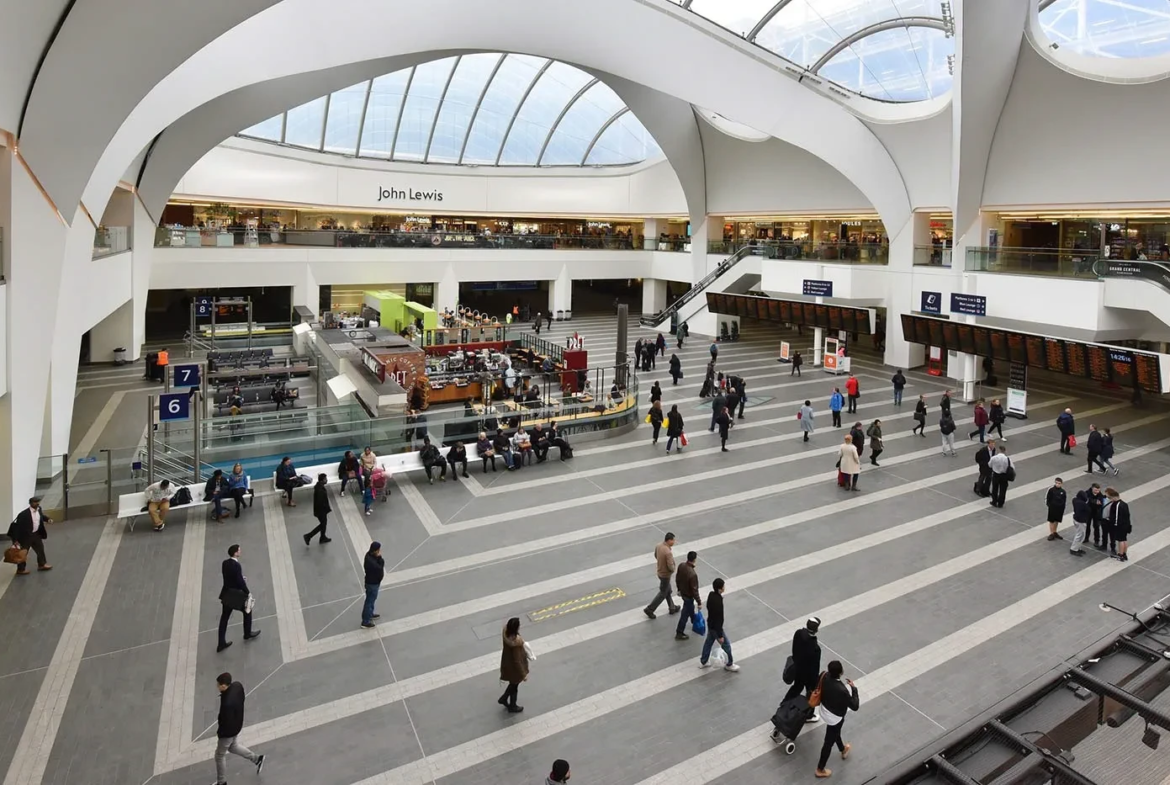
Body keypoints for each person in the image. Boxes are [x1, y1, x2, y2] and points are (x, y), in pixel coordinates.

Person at [212, 672, 265, 785]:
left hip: (228, 732)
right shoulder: (237, 685)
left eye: (218, 685)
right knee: (233, 747)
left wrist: (220, 734)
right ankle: (257, 759)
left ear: (224, 686)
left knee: (219, 755)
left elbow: (225, 721)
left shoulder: (227, 704)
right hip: (237, 725)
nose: (217, 687)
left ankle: (221, 782)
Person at [814, 660, 860, 779]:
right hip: (834, 718)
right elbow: (855, 706)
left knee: (835, 732)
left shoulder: (824, 675)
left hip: (823, 710)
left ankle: (843, 749)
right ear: (841, 672)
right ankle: (820, 769)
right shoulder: (842, 690)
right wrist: (854, 689)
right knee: (828, 742)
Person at [217, 544, 260, 652]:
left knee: (224, 618)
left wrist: (240, 577)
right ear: (235, 553)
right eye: (239, 550)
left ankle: (221, 642)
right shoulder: (237, 565)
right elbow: (240, 583)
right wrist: (248, 592)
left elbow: (229, 577)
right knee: (247, 610)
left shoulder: (225, 563)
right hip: (235, 595)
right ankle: (247, 633)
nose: (240, 551)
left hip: (226, 594)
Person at [784, 617, 823, 721]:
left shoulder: (798, 633)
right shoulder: (815, 648)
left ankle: (784, 704)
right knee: (810, 693)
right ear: (816, 630)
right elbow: (815, 666)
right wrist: (815, 680)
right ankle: (809, 715)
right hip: (808, 675)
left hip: (797, 669)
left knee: (796, 688)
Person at [699, 578, 738, 672]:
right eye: (723, 586)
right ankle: (729, 664)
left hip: (710, 624)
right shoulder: (718, 602)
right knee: (726, 645)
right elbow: (719, 619)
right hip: (716, 628)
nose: (724, 587)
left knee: (708, 642)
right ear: (720, 589)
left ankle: (704, 661)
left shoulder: (711, 595)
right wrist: (720, 635)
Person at [7, 497, 51, 575]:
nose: (37, 503)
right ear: (30, 503)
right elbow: (17, 528)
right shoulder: (23, 514)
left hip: (36, 534)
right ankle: (21, 569)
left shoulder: (39, 509)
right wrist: (15, 540)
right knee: (23, 553)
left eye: (38, 502)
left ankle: (42, 564)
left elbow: (41, 516)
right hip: (26, 537)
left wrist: (47, 519)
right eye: (35, 502)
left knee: (40, 549)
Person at [644, 532, 679, 619]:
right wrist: (673, 569)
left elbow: (656, 555)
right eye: (673, 540)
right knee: (663, 593)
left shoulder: (658, 546)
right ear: (669, 540)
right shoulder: (668, 552)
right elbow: (670, 566)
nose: (674, 542)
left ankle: (672, 607)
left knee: (667, 590)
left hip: (660, 572)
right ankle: (650, 609)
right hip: (665, 575)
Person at [499, 616, 530, 714]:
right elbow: (517, 661)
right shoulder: (515, 643)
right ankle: (512, 706)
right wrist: (523, 674)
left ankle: (504, 698)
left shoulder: (506, 632)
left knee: (513, 684)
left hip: (507, 662)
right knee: (514, 686)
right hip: (514, 669)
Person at [674, 550, 701, 640]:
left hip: (683, 593)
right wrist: (699, 602)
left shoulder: (681, 566)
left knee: (690, 609)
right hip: (688, 596)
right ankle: (679, 632)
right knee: (684, 615)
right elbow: (694, 590)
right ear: (694, 559)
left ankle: (694, 621)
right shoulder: (693, 574)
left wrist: (679, 589)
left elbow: (677, 578)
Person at [303, 474, 332, 545]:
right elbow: (320, 502)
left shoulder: (319, 487)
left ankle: (322, 537)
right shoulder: (320, 490)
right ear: (322, 480)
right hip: (321, 511)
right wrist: (325, 508)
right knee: (323, 524)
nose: (326, 480)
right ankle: (308, 536)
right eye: (325, 479)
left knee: (323, 524)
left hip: (321, 511)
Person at [1105, 487, 1131, 562]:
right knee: (1124, 540)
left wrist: (1114, 525)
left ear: (1114, 497)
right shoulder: (1124, 504)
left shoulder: (1117, 505)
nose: (1110, 499)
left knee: (1120, 540)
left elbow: (1116, 517)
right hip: (1125, 524)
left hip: (1120, 526)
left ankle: (1120, 555)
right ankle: (1124, 554)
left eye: (1110, 498)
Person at [361, 542, 383, 628]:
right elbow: (380, 567)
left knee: (371, 600)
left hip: (372, 582)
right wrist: (380, 558)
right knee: (369, 601)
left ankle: (370, 614)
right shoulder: (370, 561)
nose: (379, 551)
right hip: (372, 584)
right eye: (378, 550)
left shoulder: (369, 556)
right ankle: (365, 621)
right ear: (375, 550)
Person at [1070, 487, 1091, 557]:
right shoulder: (1082, 504)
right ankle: (1074, 549)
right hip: (1081, 521)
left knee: (1080, 534)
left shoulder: (1074, 500)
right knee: (1080, 535)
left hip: (1076, 519)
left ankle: (1078, 548)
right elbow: (1088, 510)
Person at [1045, 477, 1066, 541]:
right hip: (1052, 508)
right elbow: (1047, 498)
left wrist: (1062, 508)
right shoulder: (1051, 490)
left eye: (1059, 483)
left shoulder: (1063, 491)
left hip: (1059, 509)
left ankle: (1055, 532)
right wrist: (1050, 506)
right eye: (1056, 483)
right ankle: (1051, 533)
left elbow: (1064, 500)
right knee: (1051, 521)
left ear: (1061, 484)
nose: (1057, 484)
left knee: (1057, 520)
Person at [1086, 482, 1106, 549]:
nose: (1097, 491)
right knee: (1087, 525)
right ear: (1092, 488)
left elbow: (1101, 502)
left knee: (1096, 527)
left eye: (1098, 490)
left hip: (1096, 513)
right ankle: (1086, 538)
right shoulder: (1087, 493)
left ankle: (1096, 540)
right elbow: (1087, 500)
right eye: (1095, 490)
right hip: (1089, 512)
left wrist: (1097, 502)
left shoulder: (1100, 494)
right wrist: (1095, 502)